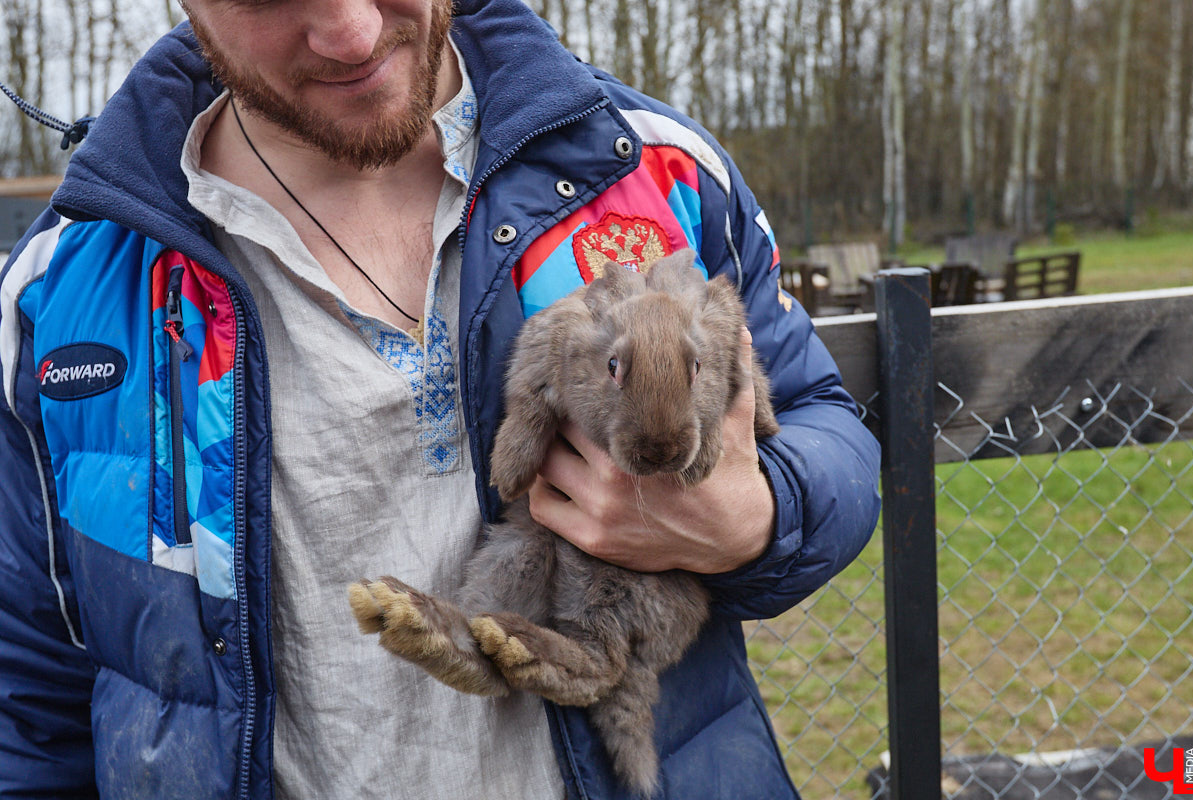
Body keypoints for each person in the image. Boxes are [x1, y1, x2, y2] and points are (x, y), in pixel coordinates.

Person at [0, 0, 881, 797]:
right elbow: (28, 703)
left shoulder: (650, 167)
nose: (351, 33)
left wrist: (760, 518)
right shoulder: (63, 291)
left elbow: (828, 428)